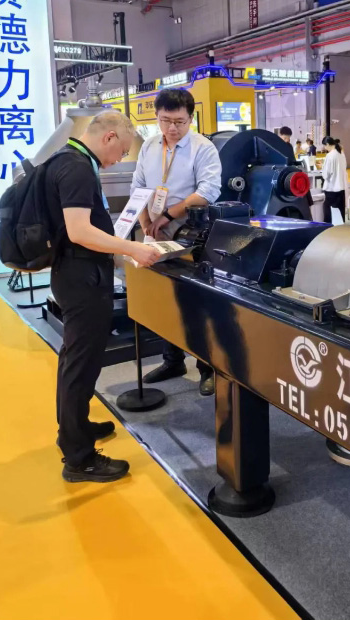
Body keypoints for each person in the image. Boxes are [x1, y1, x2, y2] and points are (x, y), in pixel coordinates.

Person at [46, 111, 163, 483]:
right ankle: (79, 458)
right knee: (80, 365)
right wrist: (132, 248)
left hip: (74, 274)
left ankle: (75, 428)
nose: (119, 159)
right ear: (109, 137)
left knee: (75, 359)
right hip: (81, 278)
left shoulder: (67, 159)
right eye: (122, 151)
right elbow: (80, 231)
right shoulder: (78, 168)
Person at [132, 88, 222, 394]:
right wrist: (146, 222)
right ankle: (172, 360)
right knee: (164, 297)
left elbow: (208, 190)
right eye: (165, 120)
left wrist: (168, 216)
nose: (172, 128)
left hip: (194, 235)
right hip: (157, 234)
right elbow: (138, 186)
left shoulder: (202, 148)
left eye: (179, 122)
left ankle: (207, 368)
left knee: (197, 301)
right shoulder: (149, 146)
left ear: (191, 118)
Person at [321, 136, 347, 223]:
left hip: (331, 188)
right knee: (340, 212)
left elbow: (326, 174)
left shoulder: (330, 155)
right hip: (341, 187)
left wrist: (323, 172)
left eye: (325, 146)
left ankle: (329, 228)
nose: (325, 148)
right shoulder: (341, 154)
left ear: (328, 144)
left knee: (329, 213)